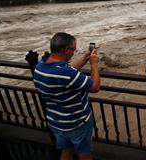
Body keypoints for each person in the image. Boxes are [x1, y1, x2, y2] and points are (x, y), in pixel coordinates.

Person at [33, 32, 100, 160]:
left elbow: (66, 71)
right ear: (66, 50)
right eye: (73, 49)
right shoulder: (66, 73)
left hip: (56, 122)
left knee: (66, 151)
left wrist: (85, 58)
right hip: (77, 123)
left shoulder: (40, 67)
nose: (74, 52)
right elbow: (95, 87)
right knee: (85, 154)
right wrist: (94, 64)